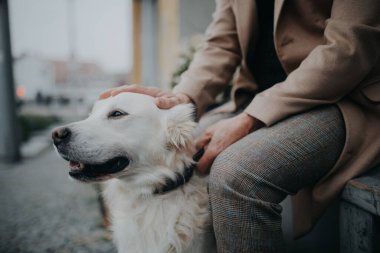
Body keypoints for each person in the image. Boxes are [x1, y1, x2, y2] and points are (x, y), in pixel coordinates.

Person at [100, 0, 380, 252]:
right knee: (167, 148)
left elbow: (348, 50)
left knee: (236, 173)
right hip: (250, 99)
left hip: (342, 101)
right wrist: (181, 97)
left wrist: (250, 119)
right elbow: (221, 44)